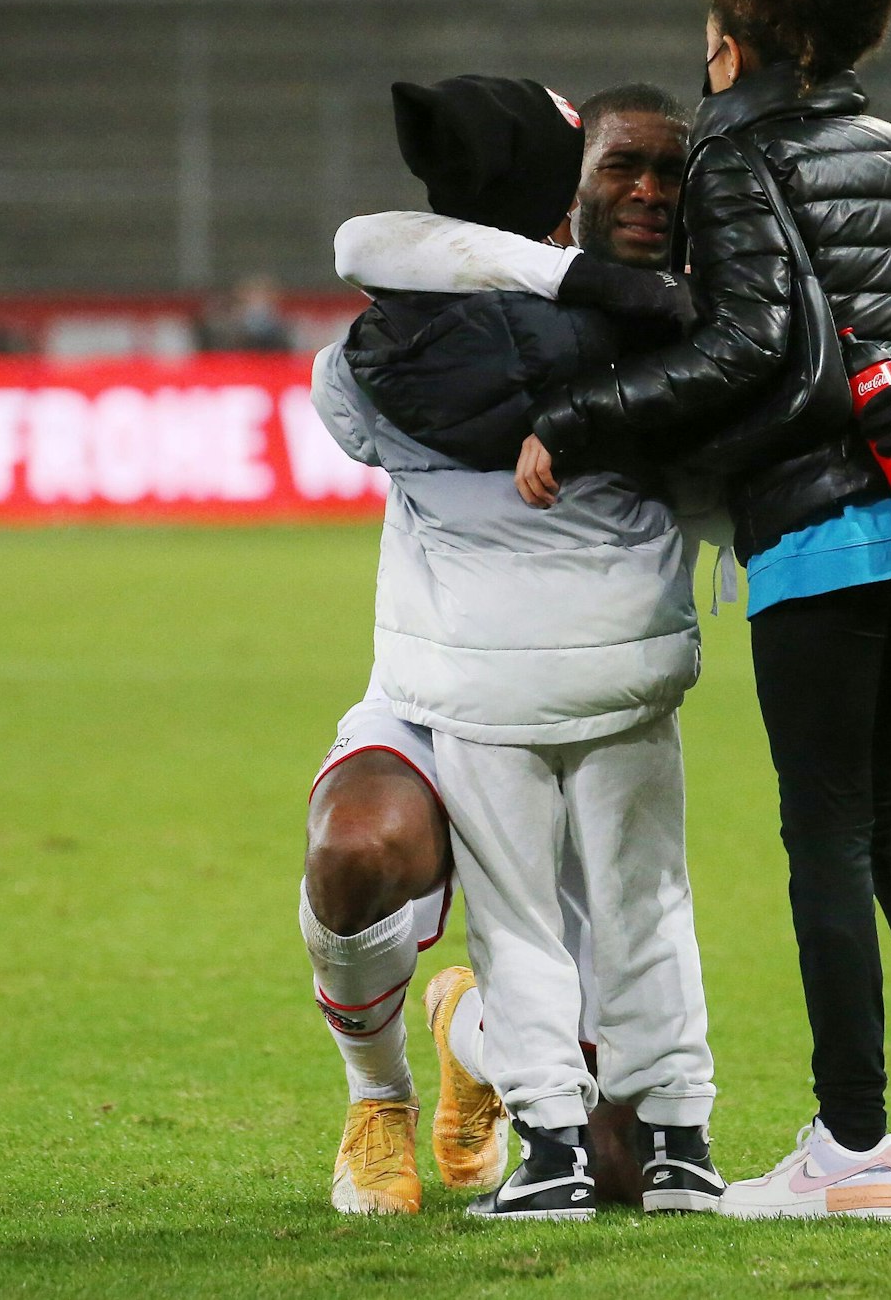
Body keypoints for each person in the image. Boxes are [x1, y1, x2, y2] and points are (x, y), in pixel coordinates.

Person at [507, 0, 891, 1220]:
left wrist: (577, 419)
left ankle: (851, 1146)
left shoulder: (739, 162)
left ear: (739, 45)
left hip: (824, 526)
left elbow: (747, 347)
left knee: (827, 835)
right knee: (890, 811)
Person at [301, 77, 721, 1221]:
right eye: (614, 175)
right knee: (357, 853)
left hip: (570, 687)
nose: (640, 197)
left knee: (619, 1173)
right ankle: (375, 1098)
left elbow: (353, 341)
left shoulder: (391, 353)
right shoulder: (668, 349)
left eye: (663, 180)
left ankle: (465, 1036)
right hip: (435, 685)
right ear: (566, 197)